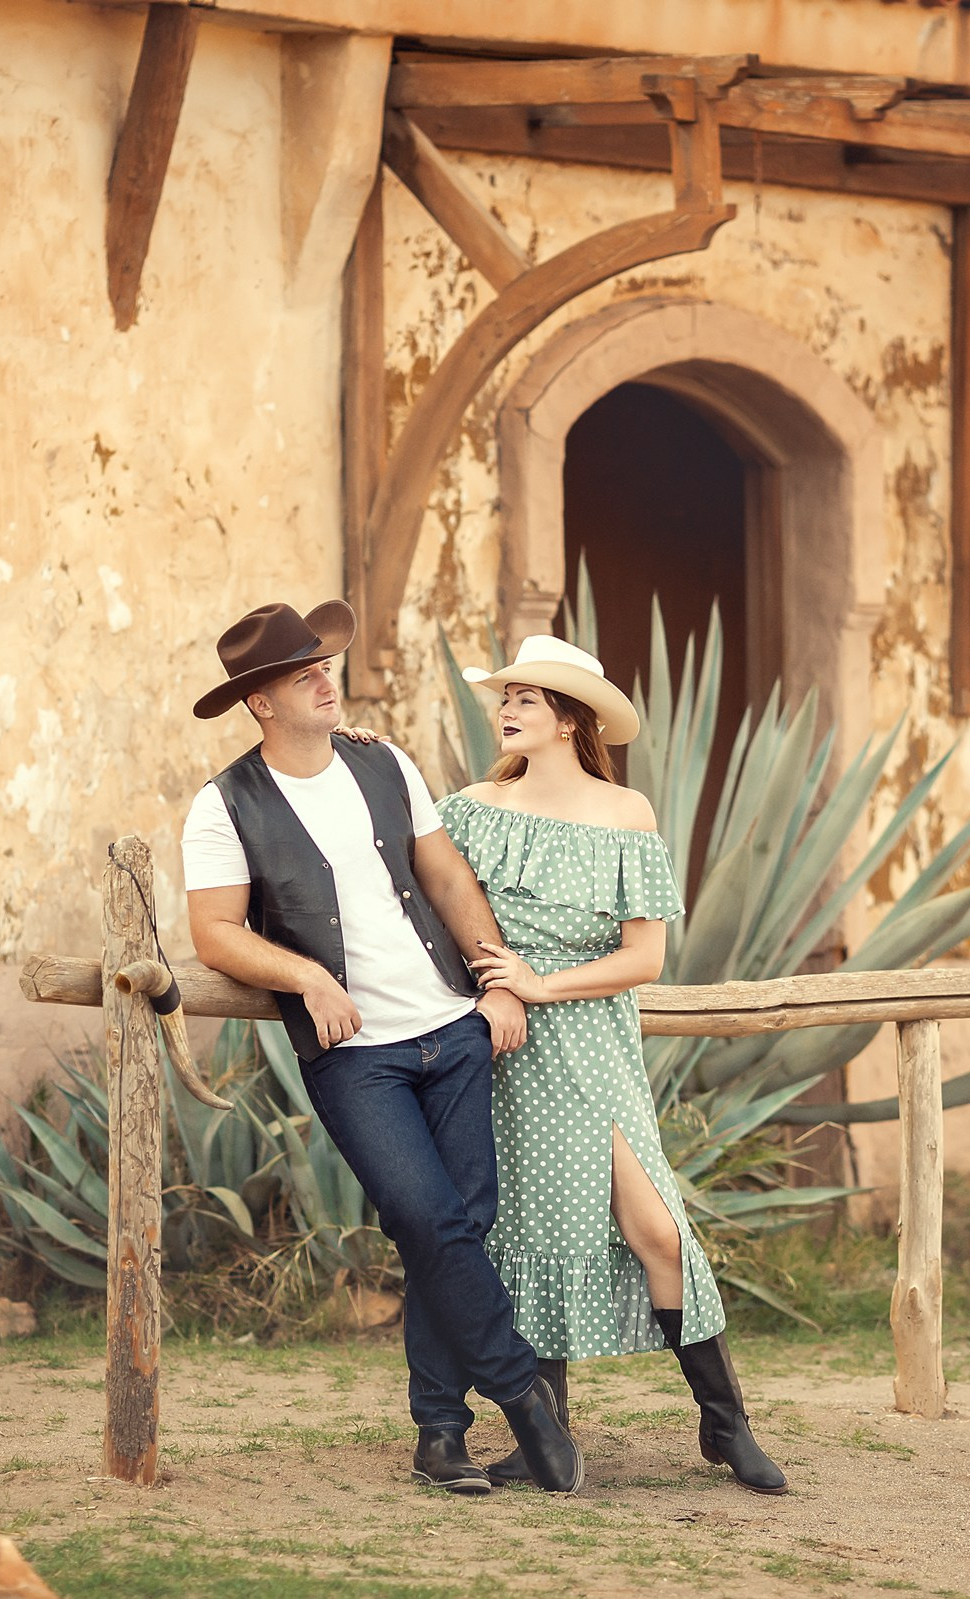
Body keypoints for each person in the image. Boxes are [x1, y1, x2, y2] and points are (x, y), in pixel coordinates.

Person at [181, 599, 584, 1497]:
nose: (327, 678)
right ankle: (523, 1396)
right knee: (430, 1219)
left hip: (450, 1026)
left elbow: (444, 873)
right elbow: (214, 932)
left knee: (457, 1227)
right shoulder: (223, 805)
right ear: (261, 702)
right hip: (356, 1055)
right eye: (303, 674)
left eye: (324, 665)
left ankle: (440, 1433)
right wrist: (309, 978)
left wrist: (496, 980)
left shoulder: (382, 760)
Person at [438, 633, 787, 1496]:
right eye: (506, 696)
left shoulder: (626, 812)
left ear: (569, 718)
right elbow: (435, 898)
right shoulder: (471, 807)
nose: (507, 709)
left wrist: (538, 982)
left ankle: (723, 1424)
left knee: (658, 1228)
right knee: (533, 1226)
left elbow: (645, 959)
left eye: (525, 697)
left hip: (593, 1045)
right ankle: (541, 1435)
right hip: (506, 1046)